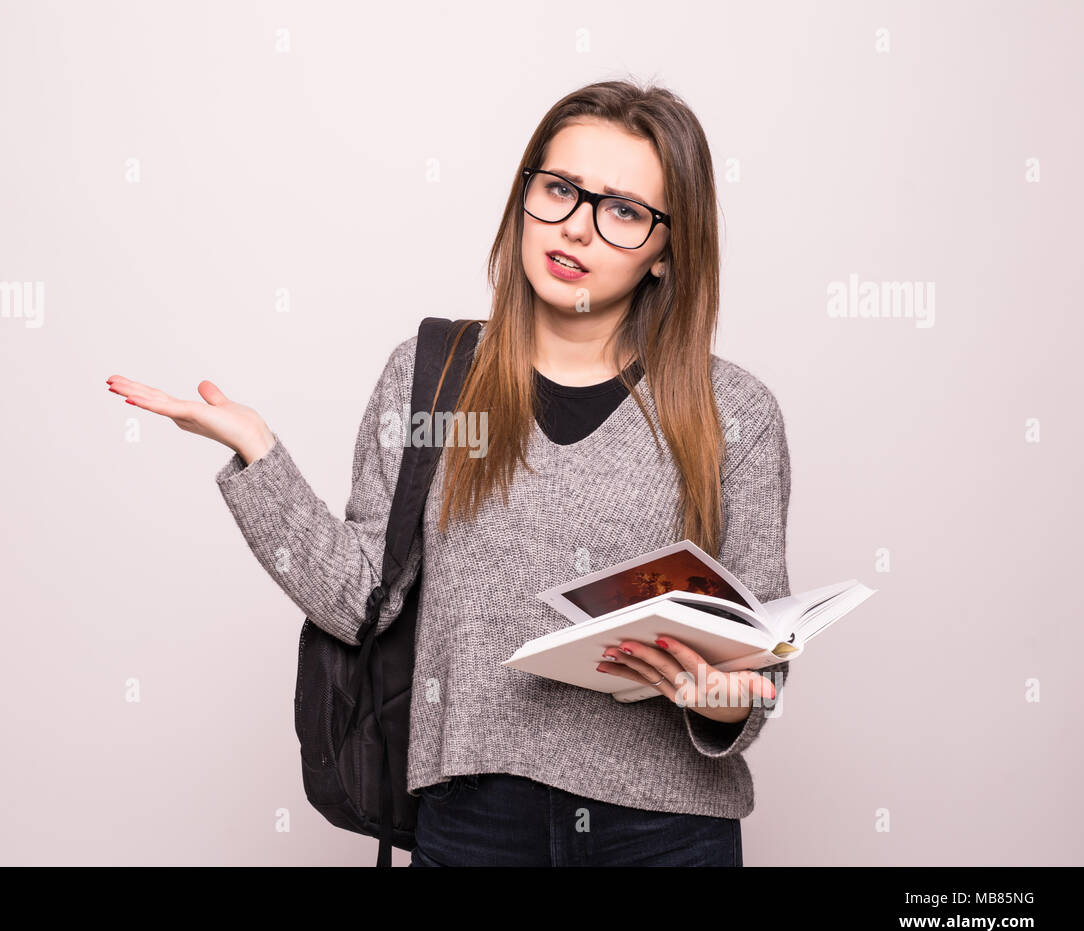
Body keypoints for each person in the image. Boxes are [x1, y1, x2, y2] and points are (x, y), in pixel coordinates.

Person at [105, 79, 792, 867]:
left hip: (665, 832)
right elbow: (360, 596)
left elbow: (759, 649)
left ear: (669, 252)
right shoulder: (437, 383)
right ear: (524, 193)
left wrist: (725, 698)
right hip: (473, 823)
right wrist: (261, 456)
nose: (577, 229)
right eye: (561, 190)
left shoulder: (731, 412)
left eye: (625, 211)